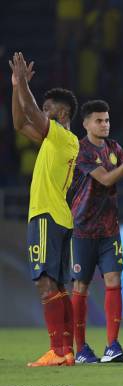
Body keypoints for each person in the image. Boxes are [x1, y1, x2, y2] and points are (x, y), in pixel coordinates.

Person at [10, 52, 80, 367]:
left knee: (45, 283)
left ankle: (58, 350)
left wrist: (23, 82)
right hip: (58, 216)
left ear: (61, 112)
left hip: (46, 215)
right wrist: (15, 86)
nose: (43, 111)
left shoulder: (64, 138)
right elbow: (19, 122)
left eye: (48, 107)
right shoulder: (55, 142)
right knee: (59, 285)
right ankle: (66, 351)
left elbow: (30, 113)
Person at [68, 100, 123, 364]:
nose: (105, 125)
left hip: (109, 229)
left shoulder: (114, 148)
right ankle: (81, 349)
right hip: (82, 229)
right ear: (86, 123)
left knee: (114, 282)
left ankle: (112, 345)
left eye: (107, 120)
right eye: (99, 120)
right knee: (81, 286)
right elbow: (106, 179)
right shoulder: (80, 149)